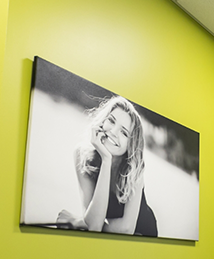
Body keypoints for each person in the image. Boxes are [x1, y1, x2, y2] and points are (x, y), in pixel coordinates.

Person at [56, 96, 158, 236]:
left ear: (131, 145)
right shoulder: (82, 155)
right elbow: (94, 225)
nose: (113, 132)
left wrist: (80, 222)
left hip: (142, 234)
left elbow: (126, 229)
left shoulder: (134, 169)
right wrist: (106, 160)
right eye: (111, 121)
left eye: (124, 132)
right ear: (102, 121)